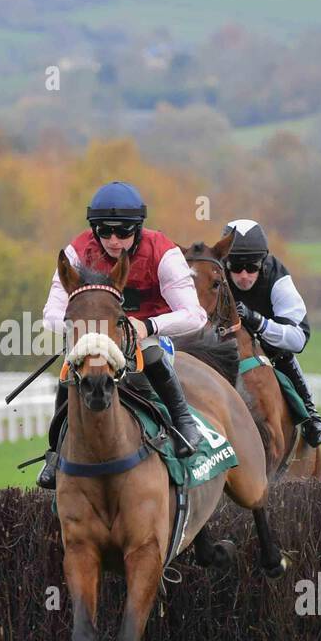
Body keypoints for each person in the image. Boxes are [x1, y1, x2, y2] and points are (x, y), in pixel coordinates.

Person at [35, 181, 206, 490]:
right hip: (96, 337)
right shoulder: (76, 251)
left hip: (147, 333)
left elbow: (195, 315)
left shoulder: (163, 253)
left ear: (138, 229)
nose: (114, 240)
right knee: (68, 369)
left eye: (124, 232)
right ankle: (56, 450)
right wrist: (85, 331)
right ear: (93, 229)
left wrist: (149, 326)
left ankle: (184, 423)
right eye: (105, 231)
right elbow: (51, 313)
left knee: (151, 353)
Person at [221, 219, 321, 447]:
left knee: (283, 353)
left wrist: (258, 322)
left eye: (252, 267)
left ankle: (312, 417)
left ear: (263, 262)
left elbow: (298, 339)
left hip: (269, 347)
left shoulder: (278, 277)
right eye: (236, 267)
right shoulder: (214, 274)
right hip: (223, 345)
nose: (244, 276)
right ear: (225, 262)